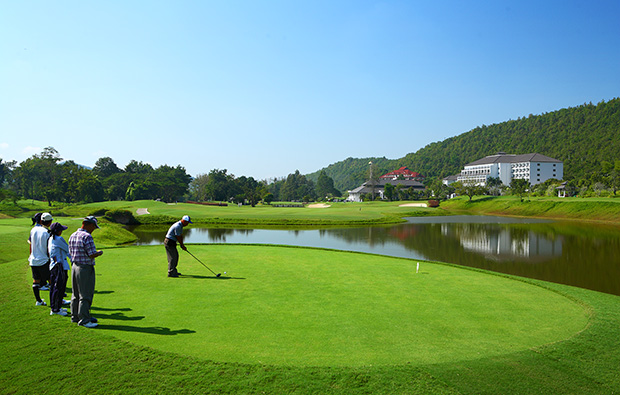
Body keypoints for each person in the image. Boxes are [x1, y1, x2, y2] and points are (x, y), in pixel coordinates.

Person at [68, 216, 103, 328]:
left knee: (76, 293)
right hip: (85, 268)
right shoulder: (87, 236)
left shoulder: (73, 235)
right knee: (86, 294)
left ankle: (75, 316)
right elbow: (91, 254)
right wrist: (99, 252)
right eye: (93, 226)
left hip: (74, 266)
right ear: (88, 224)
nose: (93, 229)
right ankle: (84, 320)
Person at [28, 212, 53, 306]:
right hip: (44, 260)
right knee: (51, 281)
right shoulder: (47, 232)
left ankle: (38, 301)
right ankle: (54, 302)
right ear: (50, 222)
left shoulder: (33, 230)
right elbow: (48, 248)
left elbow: (31, 244)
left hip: (33, 260)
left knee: (36, 281)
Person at [48, 222, 71, 316]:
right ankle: (55, 309)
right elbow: (68, 249)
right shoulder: (58, 239)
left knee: (54, 286)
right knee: (58, 287)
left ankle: (56, 306)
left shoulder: (51, 238)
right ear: (58, 231)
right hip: (59, 266)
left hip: (54, 266)